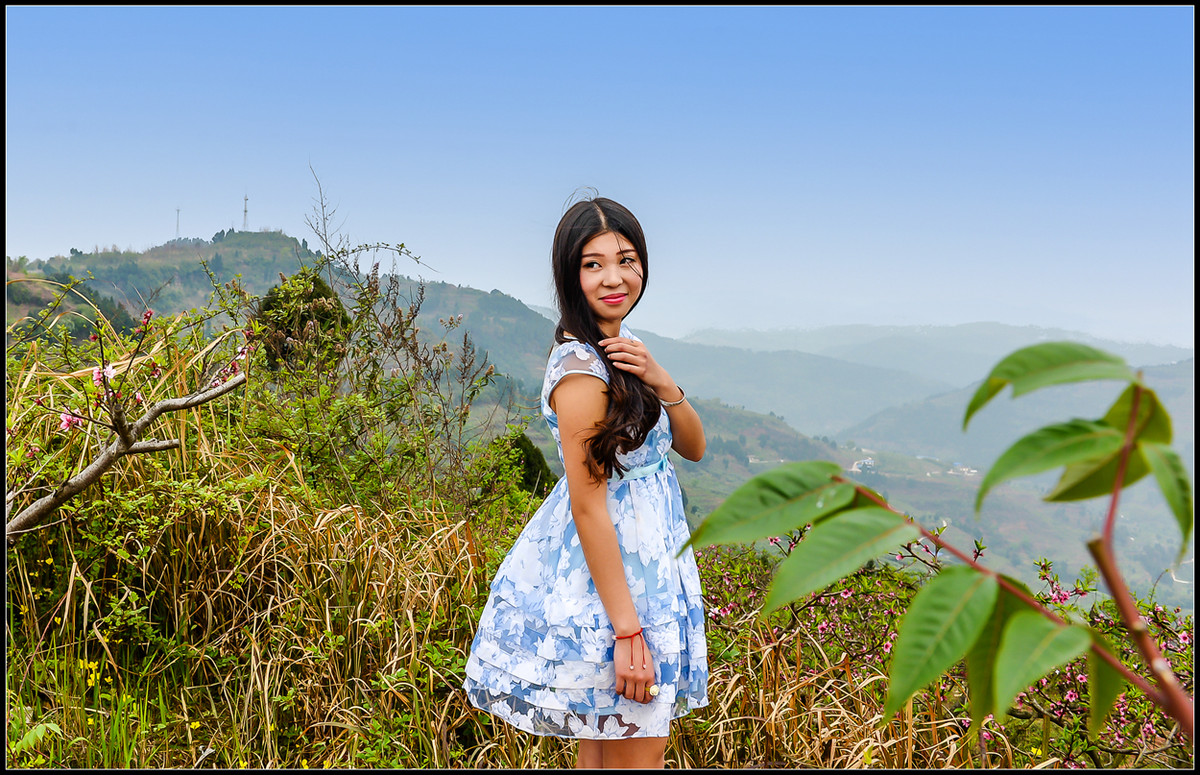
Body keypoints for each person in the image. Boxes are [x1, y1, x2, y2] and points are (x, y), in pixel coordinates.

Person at [462, 195, 709, 768]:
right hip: (616, 591)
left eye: (626, 259)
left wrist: (660, 378)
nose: (614, 278)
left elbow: (694, 447)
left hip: (640, 578)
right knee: (639, 756)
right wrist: (628, 633)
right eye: (593, 264)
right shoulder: (581, 374)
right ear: (570, 275)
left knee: (604, 754)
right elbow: (589, 506)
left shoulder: (620, 351)